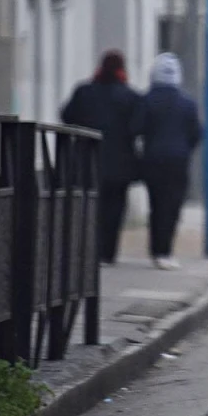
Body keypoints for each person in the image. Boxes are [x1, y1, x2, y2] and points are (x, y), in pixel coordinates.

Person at [61, 50, 142, 266]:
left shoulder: (84, 92)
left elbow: (66, 116)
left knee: (89, 207)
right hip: (120, 165)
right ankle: (108, 252)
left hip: (87, 160)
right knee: (114, 210)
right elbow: (137, 127)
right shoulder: (131, 97)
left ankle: (89, 249)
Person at [136, 53, 202, 270]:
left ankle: (156, 249)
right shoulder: (188, 103)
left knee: (156, 205)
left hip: (152, 159)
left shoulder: (147, 100)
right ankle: (165, 251)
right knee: (172, 207)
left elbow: (135, 127)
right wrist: (184, 149)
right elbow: (196, 133)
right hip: (178, 162)